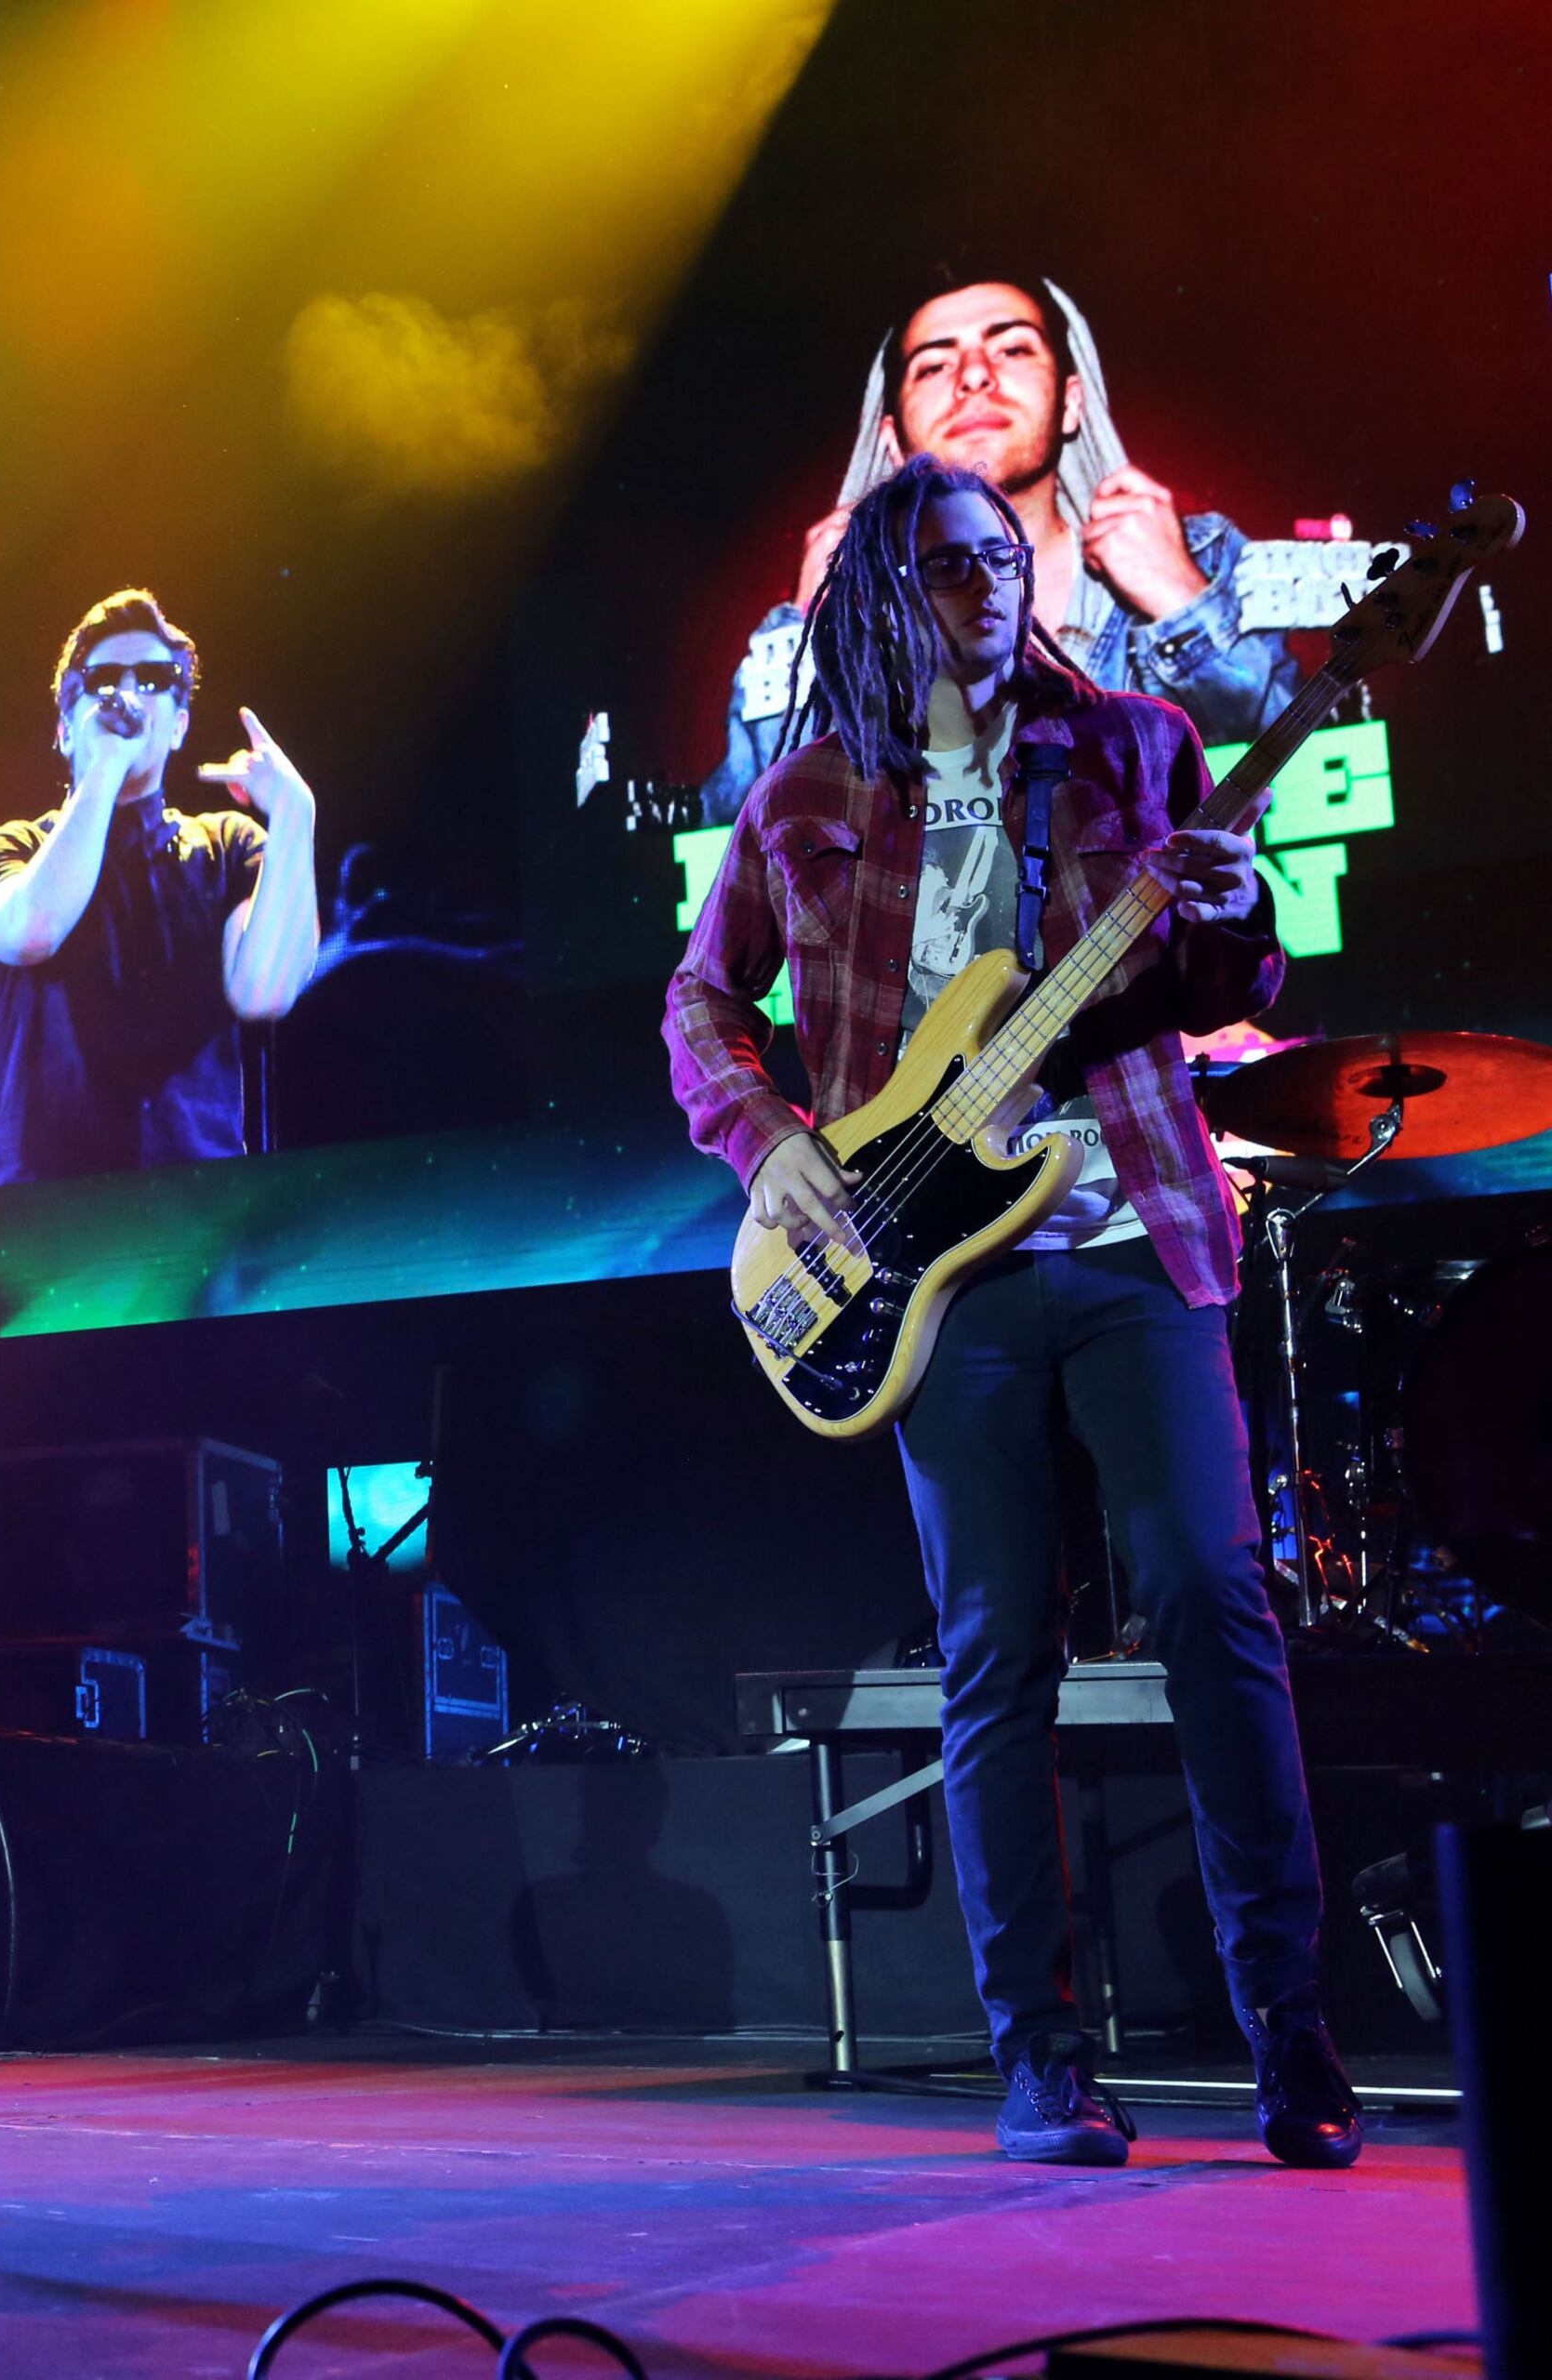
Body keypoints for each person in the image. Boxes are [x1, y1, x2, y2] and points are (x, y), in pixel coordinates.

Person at [664, 452, 1359, 2172]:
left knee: (1216, 1599)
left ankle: (1295, 2038)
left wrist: (1243, 915)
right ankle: (1040, 2061)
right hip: (929, 1276)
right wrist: (769, 1147)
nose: (998, 589)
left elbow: (1224, 982)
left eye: (1006, 561)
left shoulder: (1135, 745)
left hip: (1130, 1237)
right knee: (996, 1659)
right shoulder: (808, 796)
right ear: (886, 598)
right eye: (957, 569)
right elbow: (700, 1001)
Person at [698, 276, 1296, 826]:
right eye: (933, 366)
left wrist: (1182, 603)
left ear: (1072, 403)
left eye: (1012, 349)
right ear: (892, 439)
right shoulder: (833, 623)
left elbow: (1327, 788)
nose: (974, 375)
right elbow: (732, 870)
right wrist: (813, 640)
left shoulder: (1199, 561)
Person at [0, 590, 322, 1186]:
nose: (128, 695)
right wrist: (103, 769)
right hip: (42, 1224)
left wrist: (296, 816)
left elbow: (266, 990)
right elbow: (31, 930)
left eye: (153, 678)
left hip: (200, 1216)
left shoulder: (229, 845)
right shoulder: (7, 852)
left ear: (178, 727)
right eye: (103, 681)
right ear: (64, 730)